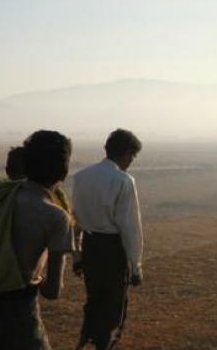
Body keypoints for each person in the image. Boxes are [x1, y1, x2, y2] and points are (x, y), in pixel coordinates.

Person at [0, 130, 75, 350]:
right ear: (62, 171)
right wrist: (34, 276)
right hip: (22, 323)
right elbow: (52, 291)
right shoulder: (54, 216)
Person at [72, 129, 144, 350]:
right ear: (126, 153)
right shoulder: (123, 180)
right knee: (114, 305)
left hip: (90, 247)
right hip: (113, 249)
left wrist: (77, 255)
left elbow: (75, 219)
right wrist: (135, 266)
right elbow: (129, 227)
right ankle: (106, 345)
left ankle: (87, 338)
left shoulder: (81, 176)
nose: (131, 162)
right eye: (132, 156)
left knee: (95, 298)